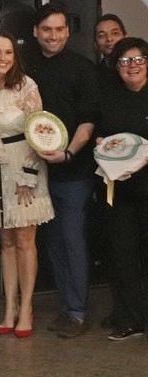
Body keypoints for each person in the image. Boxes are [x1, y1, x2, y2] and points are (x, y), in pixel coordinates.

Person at [28, 3, 101, 338]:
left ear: (68, 32)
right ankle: (67, 305)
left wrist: (69, 153)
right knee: (54, 242)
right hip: (37, 172)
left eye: (59, 29)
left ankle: (77, 312)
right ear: (35, 32)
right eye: (47, 29)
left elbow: (88, 121)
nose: (53, 36)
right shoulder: (25, 68)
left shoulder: (83, 68)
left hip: (74, 171)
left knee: (72, 240)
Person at [0, 30, 54, 339]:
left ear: (15, 56)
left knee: (24, 241)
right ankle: (9, 306)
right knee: (5, 242)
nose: (2, 58)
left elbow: (40, 132)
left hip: (23, 167)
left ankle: (27, 307)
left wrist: (28, 176)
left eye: (8, 52)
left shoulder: (26, 86)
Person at [96, 37, 148, 341]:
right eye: (125, 61)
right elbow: (103, 137)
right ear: (116, 67)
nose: (132, 66)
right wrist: (102, 145)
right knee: (123, 255)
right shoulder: (109, 97)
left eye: (139, 59)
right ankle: (130, 319)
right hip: (120, 190)